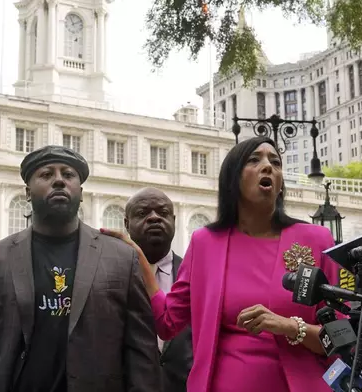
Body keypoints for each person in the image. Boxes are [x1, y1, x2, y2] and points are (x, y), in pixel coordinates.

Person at [102, 137, 342, 392]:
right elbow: (167, 322)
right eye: (254, 160)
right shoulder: (205, 243)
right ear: (232, 180)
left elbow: (342, 335)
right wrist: (139, 259)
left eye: (275, 162)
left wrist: (289, 326)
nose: (268, 166)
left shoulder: (316, 239)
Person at [0, 145, 161, 392]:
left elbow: (141, 350)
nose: (59, 180)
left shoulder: (121, 258)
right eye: (46, 174)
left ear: (81, 192)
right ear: (28, 192)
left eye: (68, 174)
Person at [124, 187, 193, 392]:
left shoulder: (196, 275)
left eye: (162, 213)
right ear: (126, 224)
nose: (154, 218)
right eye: (143, 213)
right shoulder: (110, 275)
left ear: (174, 220)